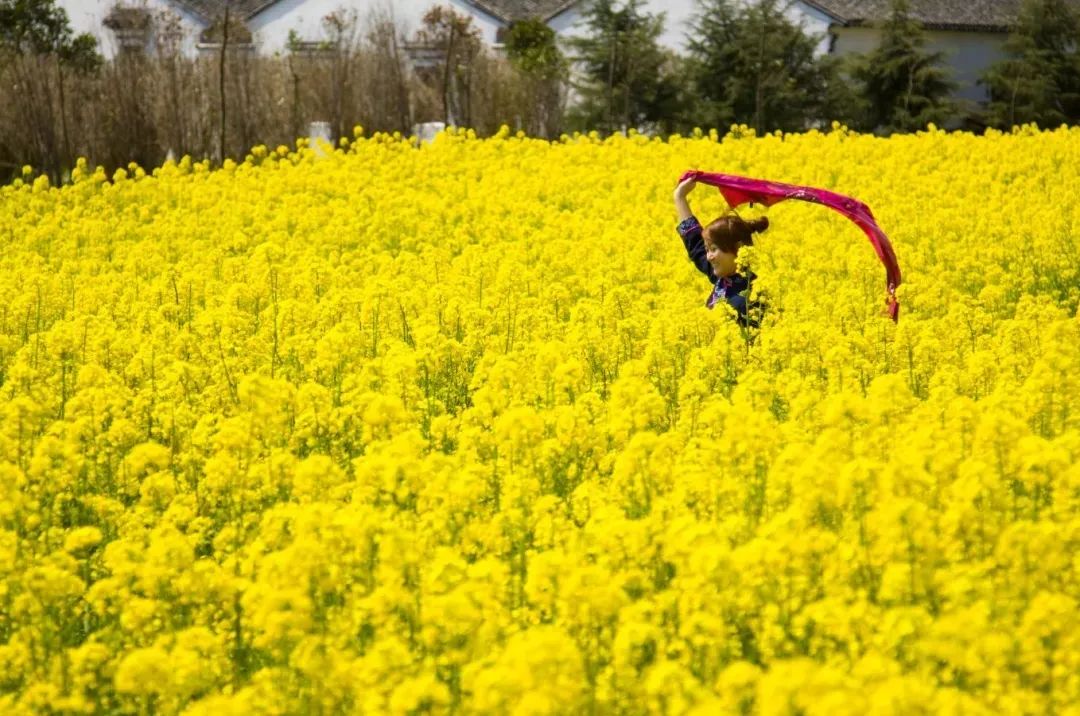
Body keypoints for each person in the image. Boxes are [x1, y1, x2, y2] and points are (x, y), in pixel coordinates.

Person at [673, 176, 767, 327]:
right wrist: (680, 197)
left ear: (738, 248)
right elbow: (695, 243)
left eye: (714, 249)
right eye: (707, 249)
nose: (708, 257)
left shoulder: (754, 296)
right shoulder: (723, 278)